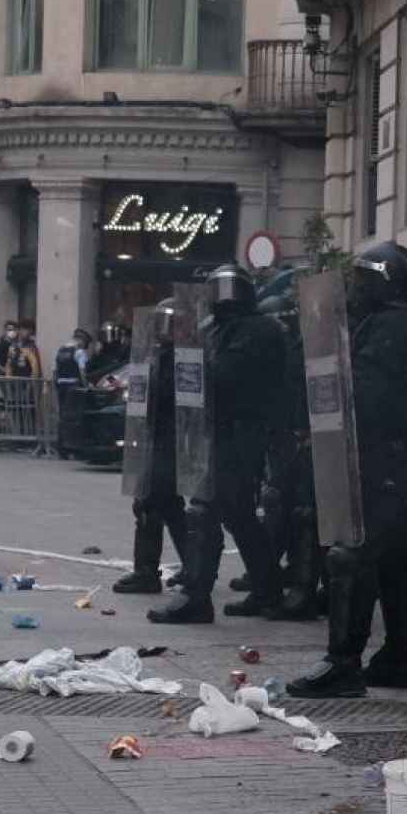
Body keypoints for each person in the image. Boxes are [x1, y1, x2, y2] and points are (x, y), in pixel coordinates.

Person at [288, 242, 407, 695]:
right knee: (396, 559)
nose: (356, 287)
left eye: (363, 278)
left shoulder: (395, 326)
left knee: (351, 556)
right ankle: (399, 657)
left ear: (384, 279)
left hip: (386, 455)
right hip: (397, 455)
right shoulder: (403, 323)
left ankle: (343, 663)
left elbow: (367, 393)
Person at [149, 266, 286, 625]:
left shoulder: (258, 330)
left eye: (226, 288)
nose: (222, 296)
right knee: (238, 516)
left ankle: (197, 597)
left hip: (242, 433)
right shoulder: (218, 328)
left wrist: (196, 363)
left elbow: (228, 378)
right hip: (220, 431)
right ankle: (268, 591)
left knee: (205, 512)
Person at [113, 299, 188, 597]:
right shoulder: (161, 356)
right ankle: (193, 566)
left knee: (152, 505)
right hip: (158, 438)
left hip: (169, 440)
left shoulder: (180, 359)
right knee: (169, 507)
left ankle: (147, 573)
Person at [258, 292, 325, 623]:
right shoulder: (286, 352)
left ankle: (304, 589)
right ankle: (276, 574)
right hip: (287, 435)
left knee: (304, 513)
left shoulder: (309, 350)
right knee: (280, 505)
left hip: (308, 438)